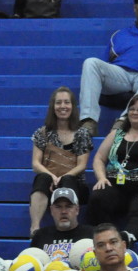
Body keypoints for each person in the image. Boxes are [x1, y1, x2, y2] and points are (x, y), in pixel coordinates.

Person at [77, 0, 138, 135]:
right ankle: (88, 121)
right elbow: (105, 63)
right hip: (121, 75)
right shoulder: (120, 34)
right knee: (91, 62)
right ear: (135, 8)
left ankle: (125, 120)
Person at [87, 93, 138, 241]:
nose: (135, 112)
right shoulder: (116, 133)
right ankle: (100, 238)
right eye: (132, 109)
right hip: (116, 186)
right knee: (98, 197)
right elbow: (99, 158)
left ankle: (126, 238)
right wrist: (101, 178)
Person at [28, 86, 94, 233]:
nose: (62, 106)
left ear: (72, 106)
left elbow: (82, 165)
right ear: (53, 107)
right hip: (50, 183)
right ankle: (35, 228)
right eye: (58, 103)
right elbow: (35, 164)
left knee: (68, 180)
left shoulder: (82, 133)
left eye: (67, 102)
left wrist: (62, 177)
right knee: (42, 178)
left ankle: (68, 228)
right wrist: (52, 177)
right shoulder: (42, 132)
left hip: (75, 185)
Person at [30, 186, 94, 263]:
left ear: (77, 210)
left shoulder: (91, 234)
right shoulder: (40, 236)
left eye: (68, 206)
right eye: (58, 207)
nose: (63, 211)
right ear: (51, 210)